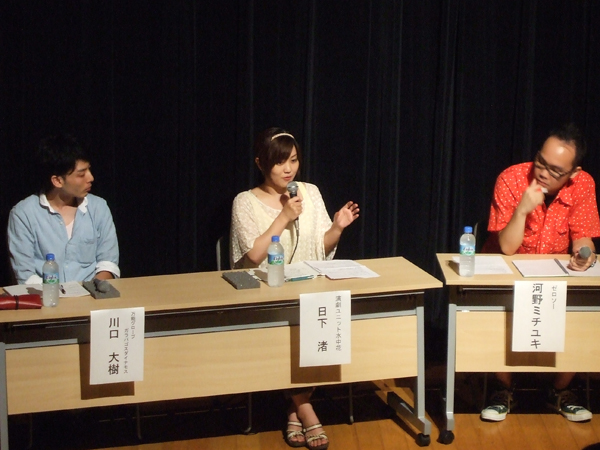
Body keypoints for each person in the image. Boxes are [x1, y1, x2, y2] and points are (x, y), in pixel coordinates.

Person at [230, 127, 359, 449]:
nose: (289, 169)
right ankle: (306, 409)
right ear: (261, 163)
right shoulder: (245, 201)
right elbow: (253, 256)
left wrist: (337, 228)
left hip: (310, 289)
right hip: (266, 293)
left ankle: (293, 408)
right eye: (280, 162)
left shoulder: (309, 193)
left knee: (322, 317)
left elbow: (320, 247)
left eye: (294, 160)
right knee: (294, 326)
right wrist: (284, 216)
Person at [481, 123, 600, 422]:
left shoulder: (583, 184)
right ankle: (502, 389)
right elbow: (507, 247)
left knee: (582, 312)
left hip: (555, 274)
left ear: (573, 172)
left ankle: (560, 390)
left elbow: (584, 236)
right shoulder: (511, 178)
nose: (544, 173)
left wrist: (584, 254)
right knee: (495, 314)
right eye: (540, 162)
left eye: (555, 170)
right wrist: (522, 210)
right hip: (507, 270)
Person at [7, 134, 120, 284]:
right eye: (81, 174)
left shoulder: (98, 208)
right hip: (47, 295)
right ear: (57, 181)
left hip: (92, 294)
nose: (91, 178)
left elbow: (108, 263)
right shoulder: (24, 214)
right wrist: (58, 295)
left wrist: (91, 291)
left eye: (89, 170)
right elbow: (25, 275)